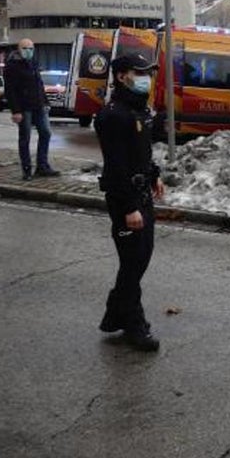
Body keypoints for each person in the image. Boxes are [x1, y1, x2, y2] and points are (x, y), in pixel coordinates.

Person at [94, 53, 165, 352]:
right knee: (133, 263)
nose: (146, 77)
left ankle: (115, 314)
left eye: (148, 71)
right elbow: (117, 165)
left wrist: (154, 176)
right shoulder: (113, 115)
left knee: (139, 259)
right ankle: (135, 325)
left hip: (142, 194)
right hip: (126, 199)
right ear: (122, 76)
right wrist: (128, 208)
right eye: (140, 72)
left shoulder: (138, 110)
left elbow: (142, 153)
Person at [3, 38, 58, 180]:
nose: (29, 51)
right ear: (19, 49)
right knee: (25, 138)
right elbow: (10, 91)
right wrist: (16, 111)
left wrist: (45, 102)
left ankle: (42, 165)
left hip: (38, 105)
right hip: (23, 106)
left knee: (46, 133)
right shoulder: (12, 66)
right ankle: (26, 169)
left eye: (31, 48)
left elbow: (39, 84)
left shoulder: (33, 63)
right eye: (25, 48)